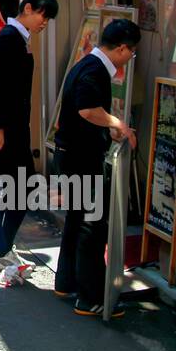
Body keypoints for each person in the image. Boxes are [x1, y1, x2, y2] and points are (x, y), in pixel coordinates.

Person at [54, 18, 140, 318]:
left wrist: (110, 129)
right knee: (92, 224)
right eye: (132, 52)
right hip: (81, 158)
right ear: (120, 48)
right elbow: (88, 110)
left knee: (77, 220)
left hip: (70, 154)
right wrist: (119, 125)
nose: (131, 58)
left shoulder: (86, 63)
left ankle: (66, 283)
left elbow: (88, 113)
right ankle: (91, 298)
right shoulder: (95, 69)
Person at [0, 0, 59, 270]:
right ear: (27, 9)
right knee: (23, 189)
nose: (44, 23)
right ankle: (0, 250)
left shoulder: (16, 38)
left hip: (14, 128)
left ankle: (2, 248)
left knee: (20, 189)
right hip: (9, 130)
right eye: (42, 16)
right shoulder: (9, 39)